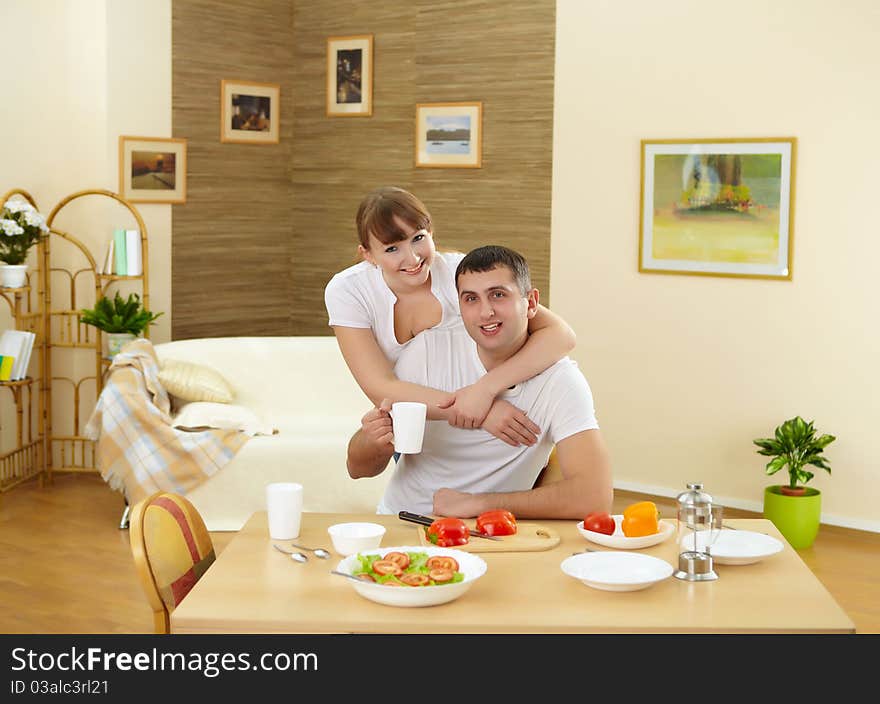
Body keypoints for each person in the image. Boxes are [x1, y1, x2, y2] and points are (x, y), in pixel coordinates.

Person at [346, 245, 613, 519]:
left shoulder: (560, 382)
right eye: (471, 299)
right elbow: (357, 469)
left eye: (498, 295)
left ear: (531, 303)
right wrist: (372, 440)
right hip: (401, 520)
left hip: (490, 532)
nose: (486, 312)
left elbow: (594, 497)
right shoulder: (427, 353)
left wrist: (480, 504)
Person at [324, 186, 577, 447]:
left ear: (431, 232)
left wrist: (485, 391)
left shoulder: (458, 271)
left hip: (481, 410)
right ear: (368, 254)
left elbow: (561, 335)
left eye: (418, 238)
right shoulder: (348, 290)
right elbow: (380, 387)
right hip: (415, 418)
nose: (412, 258)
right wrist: (477, 410)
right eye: (391, 249)